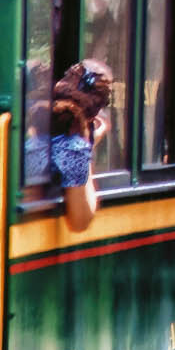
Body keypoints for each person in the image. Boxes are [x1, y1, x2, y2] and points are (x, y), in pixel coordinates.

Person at [46, 60, 109, 231]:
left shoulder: (37, 121)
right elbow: (80, 221)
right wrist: (87, 145)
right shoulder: (73, 148)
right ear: (92, 117)